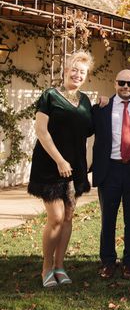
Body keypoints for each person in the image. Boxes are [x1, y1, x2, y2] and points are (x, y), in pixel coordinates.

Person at [28, 51, 94, 288]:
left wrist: (104, 104)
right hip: (50, 165)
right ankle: (46, 268)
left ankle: (60, 266)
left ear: (86, 76)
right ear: (66, 70)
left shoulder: (86, 101)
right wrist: (59, 160)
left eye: (82, 72)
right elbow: (41, 130)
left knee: (67, 217)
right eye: (74, 69)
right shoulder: (50, 96)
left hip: (75, 168)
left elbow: (89, 133)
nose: (77, 74)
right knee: (55, 218)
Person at [92, 69, 130, 280]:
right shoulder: (102, 108)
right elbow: (85, 126)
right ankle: (107, 261)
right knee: (108, 218)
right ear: (115, 83)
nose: (126, 87)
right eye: (122, 82)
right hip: (110, 169)